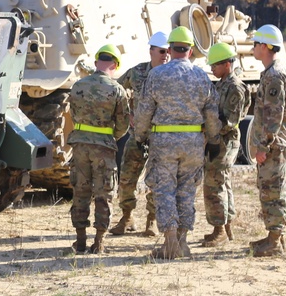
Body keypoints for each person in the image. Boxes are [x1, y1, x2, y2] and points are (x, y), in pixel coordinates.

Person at [133, 26, 222, 260]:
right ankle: (182, 243)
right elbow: (212, 113)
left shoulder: (157, 75)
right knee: (186, 191)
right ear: (191, 51)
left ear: (170, 50)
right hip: (193, 142)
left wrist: (139, 136)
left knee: (164, 190)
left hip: (164, 141)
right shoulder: (202, 77)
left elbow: (144, 110)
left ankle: (170, 242)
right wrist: (213, 140)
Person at [67, 44, 130, 254]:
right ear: (115, 65)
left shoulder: (78, 86)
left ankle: (81, 240)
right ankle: (99, 242)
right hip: (104, 147)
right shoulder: (117, 90)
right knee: (104, 193)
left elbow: (73, 114)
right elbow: (123, 124)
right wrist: (110, 136)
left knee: (80, 192)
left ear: (96, 63)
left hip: (80, 146)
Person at [110, 31, 171, 237]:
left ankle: (151, 221)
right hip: (137, 136)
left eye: (168, 51)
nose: (166, 55)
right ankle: (126, 218)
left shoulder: (172, 75)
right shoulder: (137, 73)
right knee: (127, 177)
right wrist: (126, 115)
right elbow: (116, 91)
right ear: (151, 51)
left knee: (157, 180)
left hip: (160, 136)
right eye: (162, 51)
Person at [248, 24, 286, 257]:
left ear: (266, 47)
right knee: (270, 190)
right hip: (274, 143)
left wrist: (263, 146)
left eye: (256, 43)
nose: (253, 47)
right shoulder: (272, 72)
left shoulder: (275, 76)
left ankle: (275, 242)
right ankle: (274, 237)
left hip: (274, 144)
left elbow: (273, 117)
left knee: (273, 191)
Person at [201, 42, 250, 247]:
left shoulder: (235, 88)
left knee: (215, 183)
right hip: (217, 140)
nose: (212, 68)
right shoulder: (222, 84)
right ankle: (226, 227)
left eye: (215, 65)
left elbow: (230, 120)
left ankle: (219, 230)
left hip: (224, 140)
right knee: (223, 182)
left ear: (227, 65)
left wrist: (210, 132)